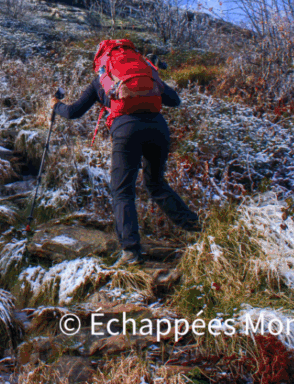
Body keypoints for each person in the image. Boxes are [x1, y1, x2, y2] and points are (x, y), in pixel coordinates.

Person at [51, 47, 199, 265]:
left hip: (126, 130)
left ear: (101, 60)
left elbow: (74, 112)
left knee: (122, 191)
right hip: (158, 128)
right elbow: (175, 101)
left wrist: (56, 106)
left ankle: (131, 252)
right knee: (156, 184)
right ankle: (195, 228)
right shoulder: (146, 72)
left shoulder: (102, 78)